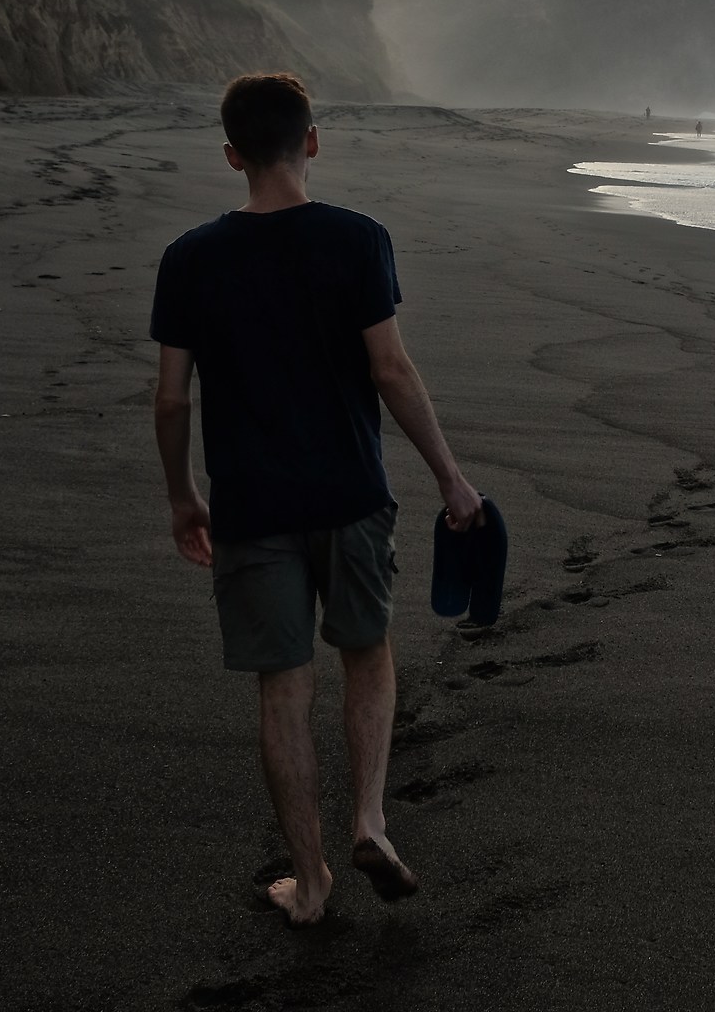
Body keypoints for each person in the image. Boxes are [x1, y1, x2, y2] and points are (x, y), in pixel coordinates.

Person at [151, 73, 484, 926]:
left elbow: (171, 398)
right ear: (312, 141)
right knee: (367, 652)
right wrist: (449, 475)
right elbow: (391, 370)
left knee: (281, 687)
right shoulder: (357, 239)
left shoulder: (191, 256)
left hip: (253, 504)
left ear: (230, 155)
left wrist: (185, 495)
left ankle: (313, 880)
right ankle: (369, 818)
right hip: (349, 493)